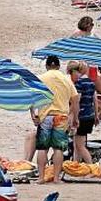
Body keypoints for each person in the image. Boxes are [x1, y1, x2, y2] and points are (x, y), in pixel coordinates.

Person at [32, 55, 74, 183]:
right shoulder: (66, 79)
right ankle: (56, 178)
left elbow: (31, 96)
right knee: (58, 148)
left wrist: (33, 114)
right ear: (59, 66)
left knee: (42, 148)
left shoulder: (40, 78)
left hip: (45, 116)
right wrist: (73, 116)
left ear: (46, 66)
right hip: (61, 116)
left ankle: (40, 178)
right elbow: (75, 99)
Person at [68, 61, 100, 163]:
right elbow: (95, 100)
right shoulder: (90, 82)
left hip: (82, 116)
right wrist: (96, 115)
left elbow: (77, 100)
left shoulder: (79, 83)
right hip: (90, 115)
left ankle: (91, 167)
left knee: (79, 146)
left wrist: (72, 115)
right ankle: (75, 165)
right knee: (77, 144)